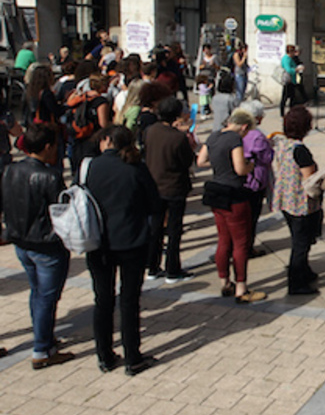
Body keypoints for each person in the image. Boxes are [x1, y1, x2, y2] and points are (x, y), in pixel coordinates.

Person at [85, 125, 161, 375]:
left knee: (102, 299)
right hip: (132, 240)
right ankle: (132, 357)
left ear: (106, 141)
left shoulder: (90, 167)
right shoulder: (136, 167)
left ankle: (104, 355)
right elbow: (154, 203)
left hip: (98, 242)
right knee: (129, 301)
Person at [2, 124, 73, 369]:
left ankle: (45, 337)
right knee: (46, 296)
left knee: (38, 292)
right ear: (47, 147)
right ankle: (42, 349)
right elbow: (63, 210)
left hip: (21, 241)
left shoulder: (10, 170)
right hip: (45, 244)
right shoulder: (49, 176)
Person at [197, 109, 267, 303]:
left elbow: (201, 161)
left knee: (223, 240)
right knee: (240, 242)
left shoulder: (213, 136)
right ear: (244, 127)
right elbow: (240, 168)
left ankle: (224, 282)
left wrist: (219, 163)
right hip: (234, 193)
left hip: (216, 192)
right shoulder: (234, 139)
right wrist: (250, 166)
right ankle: (241, 288)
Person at [271, 106, 322, 295]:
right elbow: (310, 178)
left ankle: (304, 271)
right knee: (301, 243)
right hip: (300, 203)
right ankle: (296, 282)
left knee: (299, 239)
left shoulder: (282, 144)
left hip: (286, 199)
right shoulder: (301, 151)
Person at [144, 97, 195, 282]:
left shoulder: (151, 131)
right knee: (174, 229)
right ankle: (173, 269)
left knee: (155, 227)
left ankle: (152, 266)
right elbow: (187, 160)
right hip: (174, 187)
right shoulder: (177, 137)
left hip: (154, 185)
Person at [239, 99, 274, 256]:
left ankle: (241, 246)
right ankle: (247, 247)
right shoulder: (257, 136)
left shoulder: (236, 131)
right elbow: (267, 158)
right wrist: (270, 145)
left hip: (239, 180)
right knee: (251, 217)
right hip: (254, 181)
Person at [70, 73, 112, 172]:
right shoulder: (101, 101)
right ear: (102, 86)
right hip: (93, 138)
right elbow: (103, 123)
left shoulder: (82, 97)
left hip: (79, 137)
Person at [280, 44, 304, 116]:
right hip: (288, 81)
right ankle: (282, 114)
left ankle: (291, 112)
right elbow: (288, 70)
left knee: (293, 98)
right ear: (290, 52)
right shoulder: (286, 59)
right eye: (294, 51)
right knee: (285, 98)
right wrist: (297, 69)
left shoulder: (291, 58)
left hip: (292, 80)